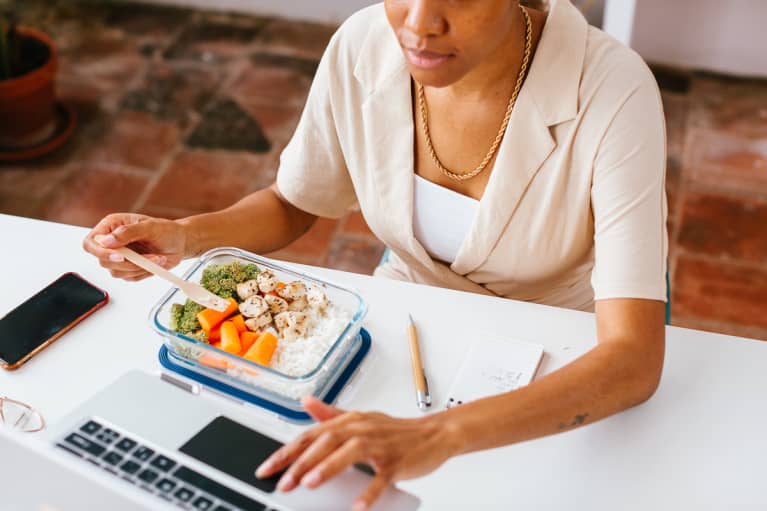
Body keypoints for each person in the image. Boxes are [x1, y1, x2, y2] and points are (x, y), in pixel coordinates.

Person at [83, 0, 668, 509]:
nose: (417, 24)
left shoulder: (613, 90)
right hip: (407, 336)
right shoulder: (364, 44)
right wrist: (185, 236)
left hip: (562, 359)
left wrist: (439, 435)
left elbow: (634, 358)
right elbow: (294, 203)